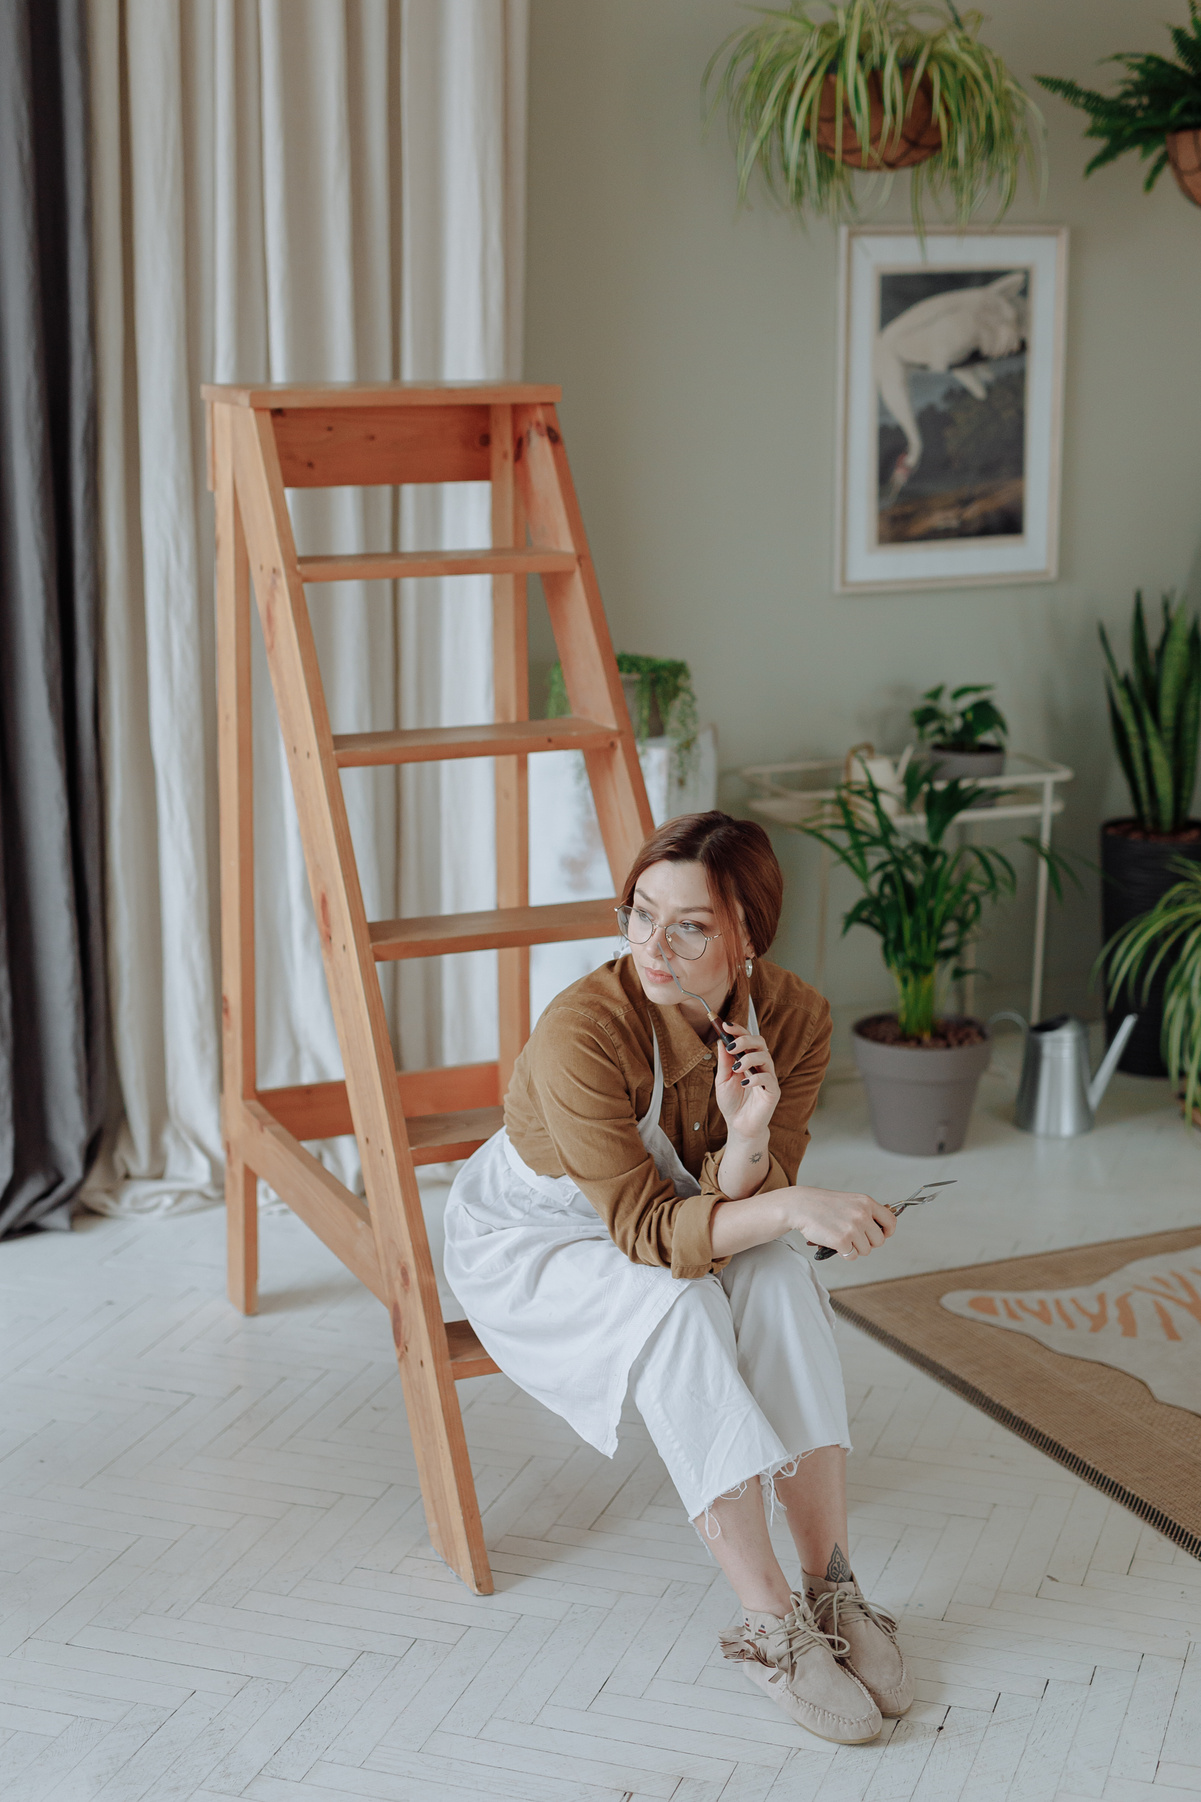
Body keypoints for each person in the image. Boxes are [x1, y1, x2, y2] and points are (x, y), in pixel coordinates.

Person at [443, 811, 911, 1744]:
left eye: (688, 926)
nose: (651, 947)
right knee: (682, 1304)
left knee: (779, 1279)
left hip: (674, 1225)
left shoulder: (795, 1019)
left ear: (747, 938)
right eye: (640, 912)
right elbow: (647, 1233)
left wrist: (748, 1137)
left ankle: (831, 1585)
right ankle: (769, 1622)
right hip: (539, 1242)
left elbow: (739, 1203)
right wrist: (789, 1203)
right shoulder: (583, 1030)